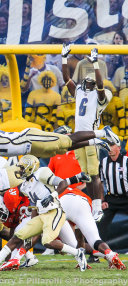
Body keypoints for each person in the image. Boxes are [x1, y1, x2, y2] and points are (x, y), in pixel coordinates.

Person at [0, 155, 90, 272]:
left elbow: (63, 183)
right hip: (41, 214)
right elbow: (34, 207)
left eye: (22, 168)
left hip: (54, 212)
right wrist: (32, 224)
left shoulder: (42, 173)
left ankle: (78, 252)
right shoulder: (24, 186)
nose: (19, 171)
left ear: (30, 168)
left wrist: (53, 195)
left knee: (48, 242)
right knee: (17, 236)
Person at [62, 44, 113, 221]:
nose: (87, 83)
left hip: (91, 136)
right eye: (87, 81)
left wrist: (96, 63)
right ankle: (94, 203)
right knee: (86, 175)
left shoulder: (101, 96)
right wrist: (63, 58)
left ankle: (98, 206)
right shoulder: (80, 92)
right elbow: (67, 79)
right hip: (78, 136)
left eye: (90, 82)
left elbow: (100, 85)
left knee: (94, 172)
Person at [0, 119, 116, 169]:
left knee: (67, 139)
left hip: (30, 138)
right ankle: (95, 142)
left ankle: (102, 131)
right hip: (30, 148)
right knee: (63, 148)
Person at [99, 141, 128, 242]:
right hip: (111, 199)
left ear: (119, 148)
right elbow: (100, 183)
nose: (109, 148)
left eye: (111, 145)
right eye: (107, 146)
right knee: (101, 224)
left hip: (126, 197)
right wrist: (102, 201)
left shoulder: (126, 161)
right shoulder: (103, 162)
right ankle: (97, 253)